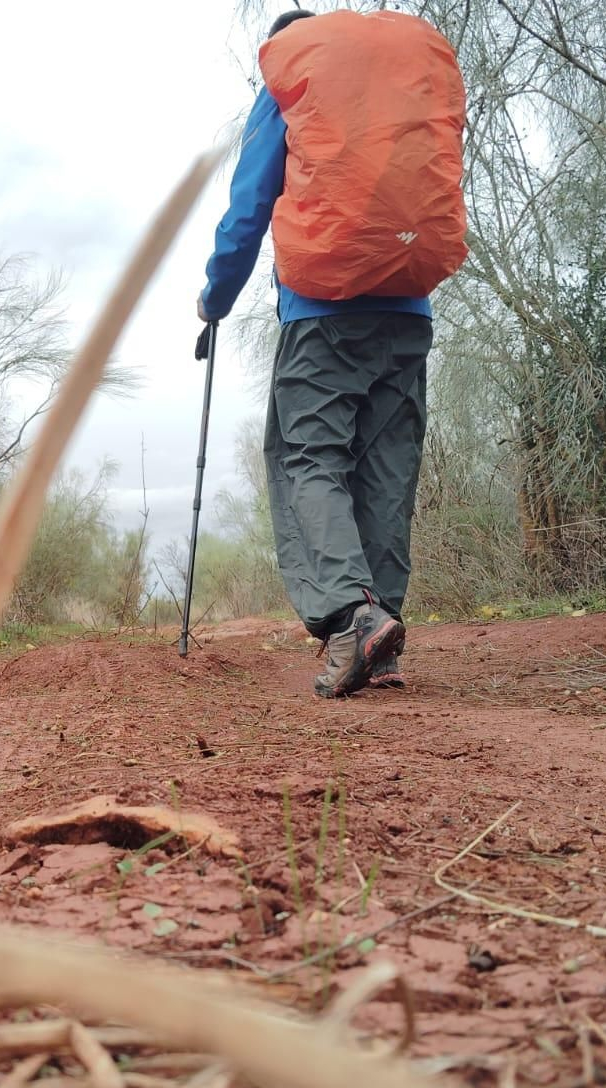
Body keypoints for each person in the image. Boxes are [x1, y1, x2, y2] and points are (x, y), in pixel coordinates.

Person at [198, 7, 465, 698]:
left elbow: (250, 204)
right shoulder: (390, 93)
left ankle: (354, 616)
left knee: (309, 457)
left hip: (323, 316)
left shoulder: (286, 89)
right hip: (408, 312)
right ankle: (384, 638)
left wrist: (215, 298)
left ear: (284, 47)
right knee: (387, 464)